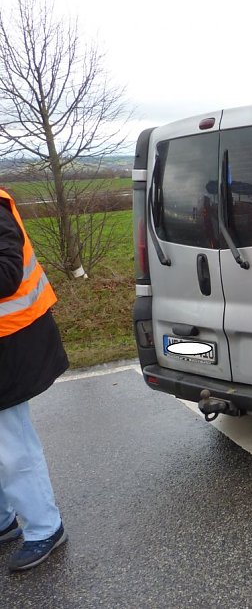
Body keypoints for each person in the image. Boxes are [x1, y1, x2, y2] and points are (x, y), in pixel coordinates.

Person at [0, 188, 69, 572]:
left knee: (13, 446)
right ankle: (4, 522)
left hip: (11, 344)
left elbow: (7, 275)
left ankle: (45, 528)